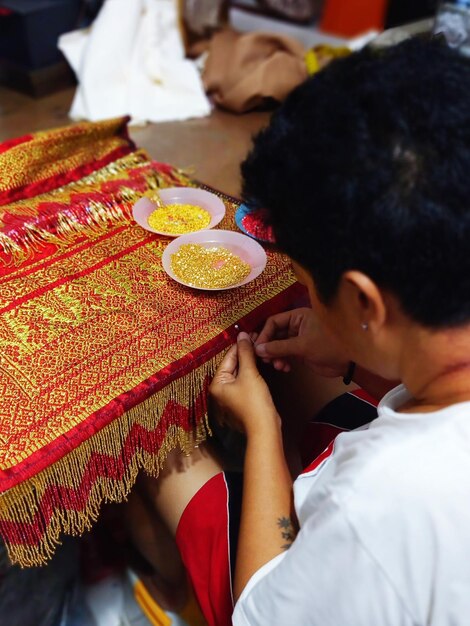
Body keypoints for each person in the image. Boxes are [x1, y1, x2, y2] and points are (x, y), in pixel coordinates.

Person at [129, 37, 470, 625]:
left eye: (309, 282)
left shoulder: (380, 504)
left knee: (154, 439)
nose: (308, 297)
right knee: (304, 380)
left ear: (365, 299)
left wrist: (263, 431)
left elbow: (258, 612)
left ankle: (161, 589)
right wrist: (357, 354)